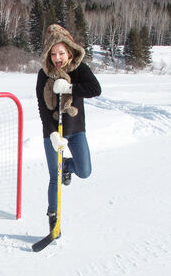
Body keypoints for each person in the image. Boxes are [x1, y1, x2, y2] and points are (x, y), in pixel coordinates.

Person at [36, 24, 101, 234]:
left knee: (85, 170)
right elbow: (42, 108)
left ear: (69, 52)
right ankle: (53, 221)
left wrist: (71, 88)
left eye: (61, 53)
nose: (58, 58)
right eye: (53, 54)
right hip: (53, 133)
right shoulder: (43, 74)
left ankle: (66, 166)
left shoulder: (79, 69)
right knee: (54, 177)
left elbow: (95, 89)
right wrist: (52, 133)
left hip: (75, 129)